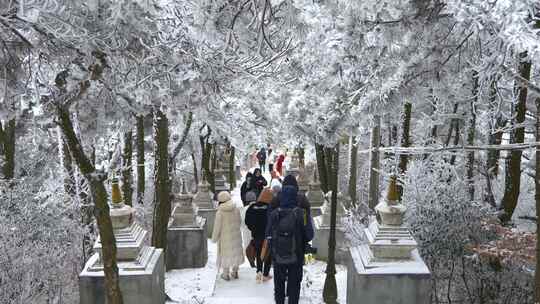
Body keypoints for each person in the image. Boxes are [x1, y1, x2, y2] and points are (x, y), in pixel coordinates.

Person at [266, 185, 314, 304]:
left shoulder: (274, 214)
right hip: (296, 255)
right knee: (294, 284)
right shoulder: (302, 214)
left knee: (279, 284)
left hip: (278, 255)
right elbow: (310, 235)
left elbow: (267, 234)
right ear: (295, 198)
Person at [212, 191, 244, 281]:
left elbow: (217, 227)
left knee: (225, 254)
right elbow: (239, 221)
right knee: (235, 252)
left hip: (225, 237)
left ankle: (225, 274)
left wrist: (214, 238)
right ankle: (235, 271)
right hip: (236, 235)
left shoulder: (220, 212)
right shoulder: (236, 208)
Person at [245, 188, 273, 283]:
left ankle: (259, 271)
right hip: (267, 235)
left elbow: (247, 221)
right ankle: (265, 274)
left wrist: (252, 228)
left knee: (258, 253)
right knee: (268, 254)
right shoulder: (270, 208)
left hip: (256, 235)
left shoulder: (252, 207)